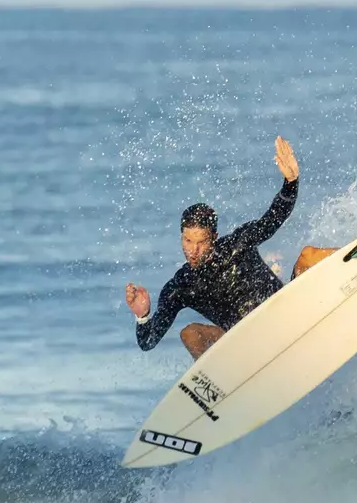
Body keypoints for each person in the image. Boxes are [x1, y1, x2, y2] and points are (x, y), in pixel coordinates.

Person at [125, 136, 337, 360]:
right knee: (190, 333)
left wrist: (291, 182)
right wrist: (143, 316)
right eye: (188, 241)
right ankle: (217, 386)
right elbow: (148, 342)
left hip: (286, 315)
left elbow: (274, 217)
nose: (193, 250)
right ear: (181, 237)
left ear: (214, 238)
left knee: (309, 255)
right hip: (247, 343)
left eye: (201, 242)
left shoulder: (238, 245)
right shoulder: (181, 287)